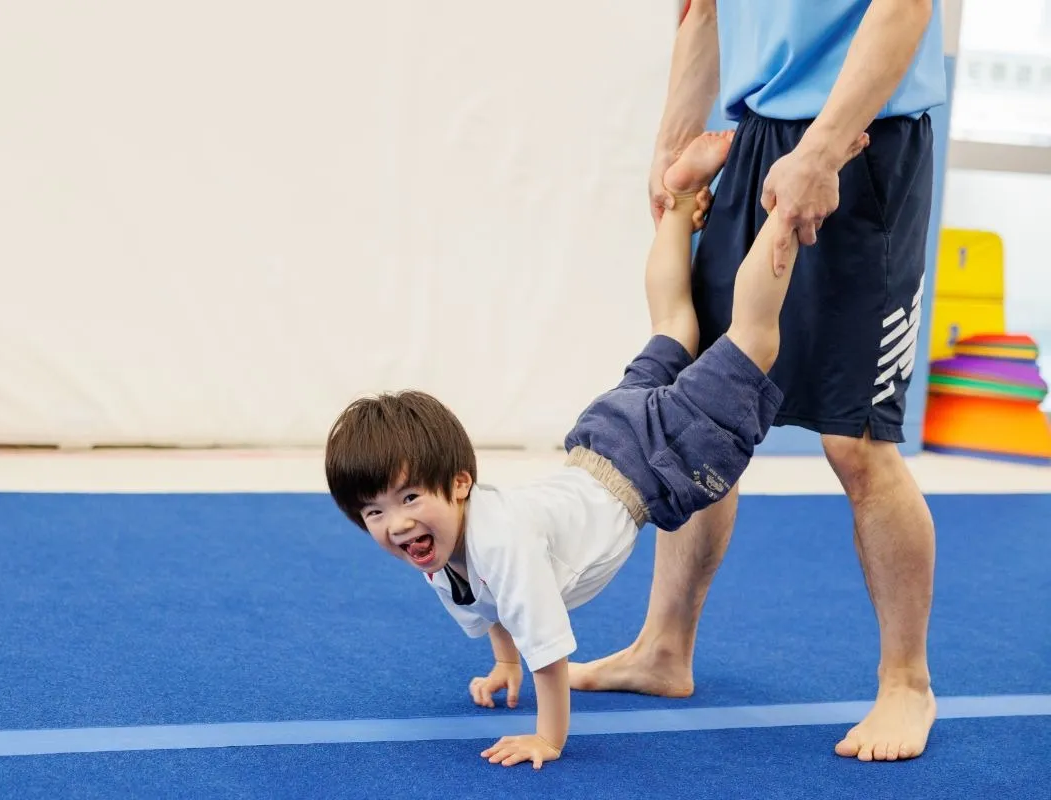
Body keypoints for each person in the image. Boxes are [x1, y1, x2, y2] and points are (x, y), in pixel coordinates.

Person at [324, 129, 867, 769]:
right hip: (602, 436)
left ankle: (786, 209)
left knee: (752, 341)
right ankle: (681, 193)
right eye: (376, 513)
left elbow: (549, 655)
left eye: (411, 498)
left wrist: (547, 738)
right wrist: (503, 666)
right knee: (674, 327)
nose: (399, 522)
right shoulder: (439, 551)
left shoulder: (497, 544)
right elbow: (488, 608)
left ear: (462, 483)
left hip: (645, 460)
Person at [567, 0, 945, 763]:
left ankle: (907, 682)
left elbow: (905, 5)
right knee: (703, 406)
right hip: (752, 137)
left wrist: (825, 149)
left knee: (858, 441)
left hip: (866, 137)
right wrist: (672, 147)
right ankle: (664, 648)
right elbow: (704, 9)